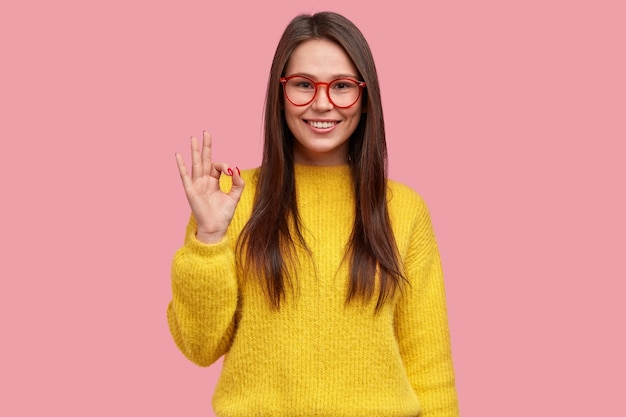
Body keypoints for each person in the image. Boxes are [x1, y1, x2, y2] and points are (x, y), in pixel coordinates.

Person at [168, 11, 459, 417]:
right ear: (279, 93)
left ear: (365, 95)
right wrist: (209, 239)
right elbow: (199, 346)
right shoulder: (228, 201)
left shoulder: (404, 210)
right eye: (303, 85)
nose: (322, 103)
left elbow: (431, 369)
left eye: (341, 86)